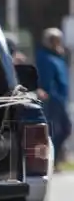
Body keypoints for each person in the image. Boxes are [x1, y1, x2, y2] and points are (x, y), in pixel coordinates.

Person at [35, 27, 72, 170]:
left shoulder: (58, 57)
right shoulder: (44, 56)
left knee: (65, 129)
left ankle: (55, 160)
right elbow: (46, 81)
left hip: (61, 99)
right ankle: (52, 161)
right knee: (55, 131)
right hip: (52, 100)